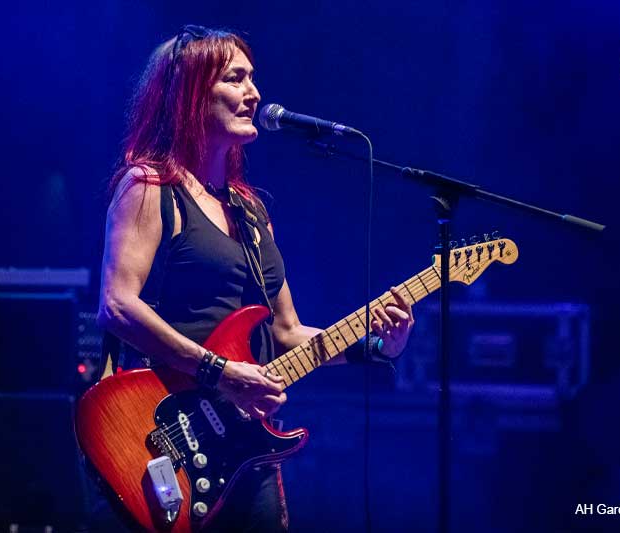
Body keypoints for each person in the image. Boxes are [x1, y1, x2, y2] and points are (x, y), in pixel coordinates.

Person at [97, 25, 415, 532]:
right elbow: (117, 305)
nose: (255, 93)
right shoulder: (149, 187)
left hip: (244, 450)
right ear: (190, 93)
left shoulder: (251, 212)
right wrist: (220, 372)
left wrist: (376, 345)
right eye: (235, 78)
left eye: (253, 78)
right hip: (160, 434)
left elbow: (287, 332)